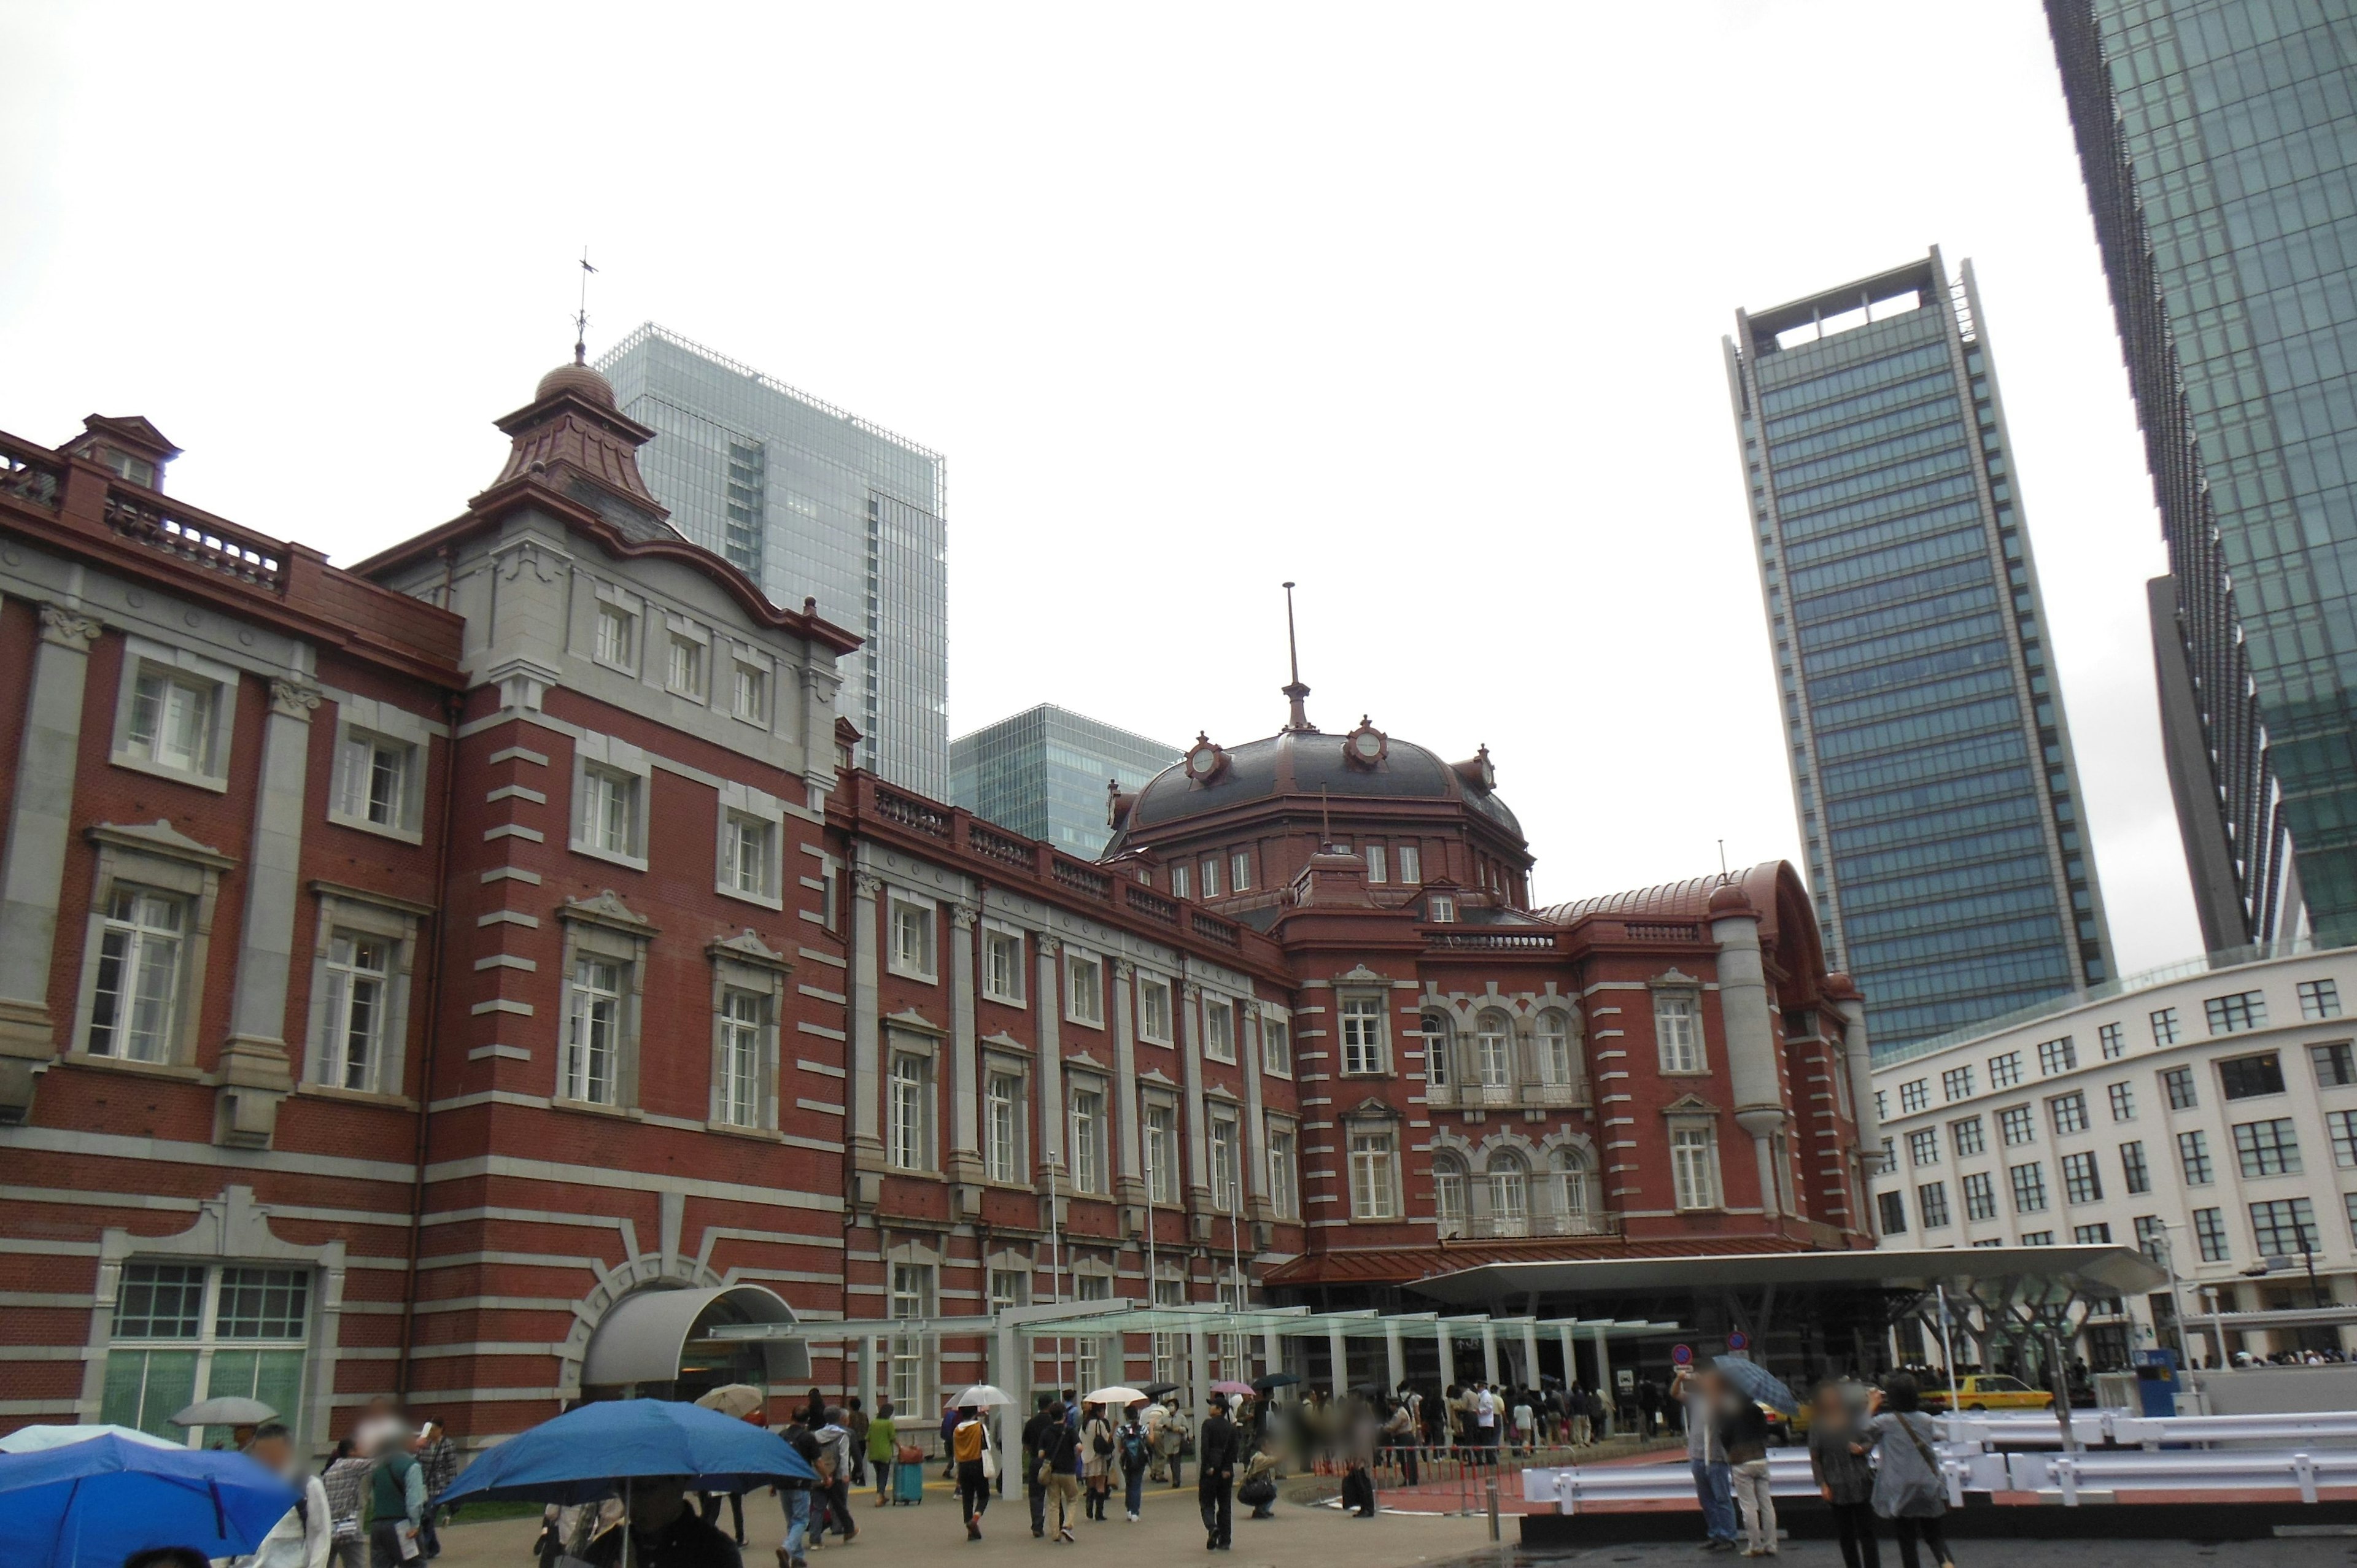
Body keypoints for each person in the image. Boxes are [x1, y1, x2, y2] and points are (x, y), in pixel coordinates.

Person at [1866, 1377, 1956, 1568]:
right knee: (1934, 1536)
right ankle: (1947, 1564)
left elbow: (1860, 1428)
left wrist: (1871, 1405)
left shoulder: (1886, 1422)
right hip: (1928, 1484)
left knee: (1907, 1540)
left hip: (1901, 1487)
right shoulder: (1925, 1419)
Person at [223, 1423, 330, 1568]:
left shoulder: (307, 1486)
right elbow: (230, 1535)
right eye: (261, 1453)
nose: (265, 1459)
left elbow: (320, 1538)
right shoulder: (245, 1486)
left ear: (288, 1451)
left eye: (271, 1453)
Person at [575, 1477, 741, 1568]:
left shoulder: (713, 1551)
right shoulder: (606, 1548)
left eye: (646, 1489)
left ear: (679, 1482)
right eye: (623, 1489)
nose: (633, 1502)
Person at [1807, 1381, 1881, 1568]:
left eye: (1833, 1396)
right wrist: (1823, 1484)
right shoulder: (1817, 1426)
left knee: (1867, 1531)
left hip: (1860, 1480)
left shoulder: (1852, 1419)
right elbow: (1816, 1457)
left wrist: (1861, 1449)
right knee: (1846, 1535)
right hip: (1836, 1484)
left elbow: (1869, 1441)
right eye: (1826, 1398)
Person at [1673, 1364, 1737, 1553]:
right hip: (1698, 1456)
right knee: (1706, 1500)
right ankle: (1715, 1534)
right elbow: (1675, 1394)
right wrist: (1679, 1379)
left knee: (1721, 1499)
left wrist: (1710, 1390)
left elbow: (1722, 1411)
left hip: (1717, 1458)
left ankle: (1728, 1536)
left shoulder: (1727, 1400)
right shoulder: (1697, 1400)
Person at [1717, 1378, 1775, 1559]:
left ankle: (1755, 1545)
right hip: (1760, 1458)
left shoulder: (1730, 1413)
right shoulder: (1758, 1411)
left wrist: (1730, 1451)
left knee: (1748, 1506)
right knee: (1766, 1504)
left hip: (1741, 1461)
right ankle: (1771, 1544)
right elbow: (1766, 1434)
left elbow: (1724, 1437)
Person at [366, 1418, 426, 1568]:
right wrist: (415, 1524)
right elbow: (415, 1499)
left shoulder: (378, 1467)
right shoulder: (412, 1466)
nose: (416, 1442)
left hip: (377, 1525)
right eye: (413, 1439)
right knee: (414, 1564)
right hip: (402, 1525)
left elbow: (374, 1496)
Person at [320, 1439, 373, 1568]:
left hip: (330, 1528)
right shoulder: (352, 1465)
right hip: (349, 1527)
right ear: (352, 1452)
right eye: (361, 1447)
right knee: (356, 1564)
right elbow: (378, 1463)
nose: (365, 1449)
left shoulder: (330, 1471)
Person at [409, 1421, 458, 1558]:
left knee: (428, 1517)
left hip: (439, 1487)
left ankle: (423, 1550)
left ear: (441, 1429)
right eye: (429, 1430)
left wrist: (452, 1490)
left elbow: (451, 1469)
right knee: (425, 1517)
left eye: (434, 1429)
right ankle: (434, 1547)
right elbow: (416, 1461)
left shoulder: (448, 1445)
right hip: (425, 1487)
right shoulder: (425, 1444)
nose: (431, 1433)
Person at [1198, 1392, 1239, 1550]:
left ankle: (1212, 1527)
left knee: (1207, 1504)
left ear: (1219, 1409)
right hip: (1226, 1472)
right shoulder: (1231, 1428)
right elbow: (1233, 1450)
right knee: (1225, 1506)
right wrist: (1227, 1467)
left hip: (1211, 1471)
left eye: (1212, 1405)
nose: (1210, 1408)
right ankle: (1225, 1540)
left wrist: (1208, 1466)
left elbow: (1205, 1447)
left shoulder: (1207, 1425)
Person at [1038, 1399, 1080, 1542]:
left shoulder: (1046, 1432)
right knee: (1073, 1499)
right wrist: (1075, 1456)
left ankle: (1055, 1534)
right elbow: (1079, 1448)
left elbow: (1041, 1455)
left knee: (1053, 1503)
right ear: (1064, 1415)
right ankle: (1067, 1526)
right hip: (1068, 1471)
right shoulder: (1070, 1430)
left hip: (1053, 1472)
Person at [951, 1404, 994, 1541]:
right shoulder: (979, 1427)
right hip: (978, 1463)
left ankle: (970, 1530)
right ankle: (975, 1520)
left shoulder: (957, 1430)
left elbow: (955, 1450)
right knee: (984, 1495)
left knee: (967, 1498)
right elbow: (988, 1445)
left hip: (963, 1465)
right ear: (975, 1413)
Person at [1022, 1396, 1056, 1536]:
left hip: (1036, 1461)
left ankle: (1037, 1525)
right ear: (1050, 1405)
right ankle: (1058, 1525)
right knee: (1055, 1494)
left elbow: (1026, 1443)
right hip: (1053, 1462)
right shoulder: (1054, 1422)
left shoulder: (1031, 1423)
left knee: (1036, 1495)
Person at [1082, 1401, 1115, 1521]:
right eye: (1102, 1411)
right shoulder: (1099, 1424)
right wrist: (1114, 1428)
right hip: (1098, 1457)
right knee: (1100, 1485)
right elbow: (1108, 1439)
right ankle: (1099, 1513)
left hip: (1086, 1457)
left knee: (1090, 1484)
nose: (1103, 1413)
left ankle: (1089, 1507)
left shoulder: (1085, 1424)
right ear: (1098, 1412)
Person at [1118, 1405, 1151, 1521]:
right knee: (1137, 1485)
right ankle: (1135, 1512)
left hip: (1126, 1461)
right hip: (1139, 1461)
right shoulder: (1142, 1429)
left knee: (1129, 1484)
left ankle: (1129, 1510)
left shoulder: (1121, 1430)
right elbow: (1151, 1441)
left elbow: (1120, 1449)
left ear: (1126, 1416)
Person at [1238, 1439, 1281, 1521]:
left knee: (1269, 1487)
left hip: (1253, 1487)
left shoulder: (1259, 1456)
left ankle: (1263, 1509)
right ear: (1263, 1447)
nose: (1271, 1449)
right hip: (1252, 1488)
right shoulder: (1260, 1458)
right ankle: (1260, 1510)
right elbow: (1272, 1461)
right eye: (1269, 1447)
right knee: (1271, 1488)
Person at [867, 1397, 899, 1508]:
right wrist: (901, 1447)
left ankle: (881, 1495)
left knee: (878, 1475)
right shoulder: (888, 1424)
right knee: (883, 1476)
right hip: (885, 1453)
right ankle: (879, 1496)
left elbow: (868, 1439)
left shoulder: (874, 1423)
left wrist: (870, 1452)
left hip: (874, 1453)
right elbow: (893, 1438)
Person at [845, 1396, 869, 1489]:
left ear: (850, 1406)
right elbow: (867, 1426)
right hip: (863, 1440)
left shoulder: (850, 1416)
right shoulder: (864, 1415)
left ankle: (856, 1477)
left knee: (852, 1459)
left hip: (853, 1440)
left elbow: (848, 1427)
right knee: (859, 1460)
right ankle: (858, 1477)